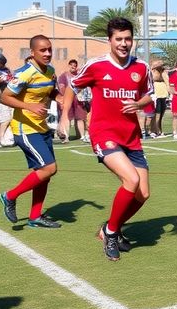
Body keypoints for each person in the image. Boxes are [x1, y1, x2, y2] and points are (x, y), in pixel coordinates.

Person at [63, 17, 155, 261]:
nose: (124, 44)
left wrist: (138, 103)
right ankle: (112, 233)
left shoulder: (141, 68)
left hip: (131, 136)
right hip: (104, 134)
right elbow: (72, 86)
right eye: (119, 39)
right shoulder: (96, 66)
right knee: (131, 179)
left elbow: (150, 96)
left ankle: (109, 227)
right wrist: (63, 116)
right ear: (110, 41)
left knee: (143, 194)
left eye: (128, 39)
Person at [0, 35, 64, 229]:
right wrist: (29, 106)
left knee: (45, 173)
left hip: (42, 127)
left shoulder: (50, 71)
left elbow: (51, 91)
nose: (48, 53)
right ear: (32, 53)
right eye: (43, 50)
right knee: (48, 168)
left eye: (50, 49)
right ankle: (9, 196)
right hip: (24, 129)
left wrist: (59, 97)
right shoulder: (25, 73)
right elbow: (5, 97)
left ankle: (35, 216)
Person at [57, 59, 89, 142]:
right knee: (66, 117)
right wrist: (64, 98)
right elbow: (61, 87)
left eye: (75, 65)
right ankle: (65, 137)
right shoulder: (64, 75)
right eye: (71, 65)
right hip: (67, 99)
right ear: (69, 65)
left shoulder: (79, 75)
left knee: (80, 118)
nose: (73, 66)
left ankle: (82, 136)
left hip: (78, 100)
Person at [0, 54, 16, 146]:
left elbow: (11, 79)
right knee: (5, 119)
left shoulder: (7, 70)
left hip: (10, 96)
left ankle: (8, 137)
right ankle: (0, 138)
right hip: (2, 97)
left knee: (12, 118)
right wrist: (2, 78)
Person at [151, 60, 168, 137]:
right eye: (158, 62)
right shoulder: (153, 71)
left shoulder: (163, 71)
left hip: (163, 94)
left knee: (162, 113)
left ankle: (160, 130)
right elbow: (156, 66)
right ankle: (155, 130)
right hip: (156, 95)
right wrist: (157, 65)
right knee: (156, 114)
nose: (160, 64)